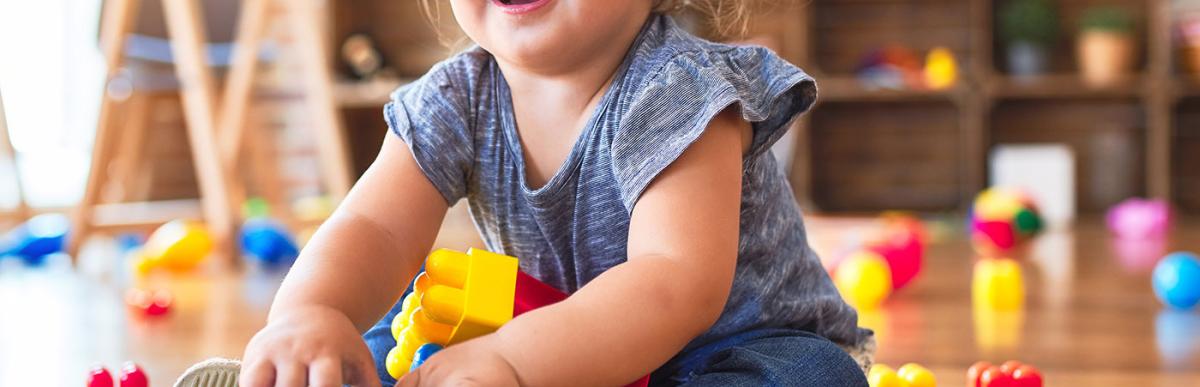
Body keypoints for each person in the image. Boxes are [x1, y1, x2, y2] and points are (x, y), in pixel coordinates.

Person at [189, 1, 874, 386]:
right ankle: (303, 376)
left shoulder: (680, 89)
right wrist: (313, 310)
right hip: (550, 351)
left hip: (721, 351)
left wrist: (513, 360)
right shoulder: (456, 98)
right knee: (396, 324)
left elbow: (674, 285)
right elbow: (374, 226)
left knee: (814, 377)